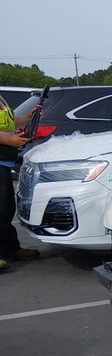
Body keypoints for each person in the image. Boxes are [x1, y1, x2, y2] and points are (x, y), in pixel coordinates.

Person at [0, 92, 39, 272]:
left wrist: (26, 118)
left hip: (4, 160)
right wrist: (10, 140)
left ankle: (10, 249)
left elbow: (7, 122)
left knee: (6, 208)